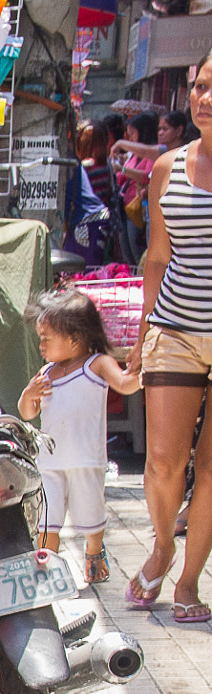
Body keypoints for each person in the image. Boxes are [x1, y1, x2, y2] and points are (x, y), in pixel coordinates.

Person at [129, 54, 212, 622]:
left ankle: (189, 581)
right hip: (175, 329)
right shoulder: (166, 168)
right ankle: (162, 544)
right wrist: (140, 336)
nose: (204, 97)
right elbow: (157, 256)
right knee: (163, 462)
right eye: (200, 86)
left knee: (211, 470)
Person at [18, 289, 139, 586]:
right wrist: (29, 394)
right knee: (48, 518)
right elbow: (27, 412)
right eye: (40, 338)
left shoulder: (96, 364)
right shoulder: (46, 373)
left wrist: (142, 367)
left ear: (75, 337)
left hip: (86, 459)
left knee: (90, 513)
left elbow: (124, 384)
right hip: (50, 462)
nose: (41, 345)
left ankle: (94, 550)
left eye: (47, 338)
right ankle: (47, 568)